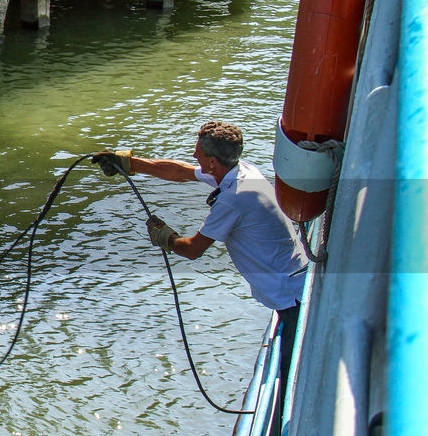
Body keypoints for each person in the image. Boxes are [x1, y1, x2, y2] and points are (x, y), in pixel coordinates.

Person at [92, 121, 307, 389]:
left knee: (290, 382)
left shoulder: (234, 198)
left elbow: (193, 249)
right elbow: (182, 172)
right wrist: (130, 163)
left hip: (289, 298)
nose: (194, 156)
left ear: (214, 162)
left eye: (199, 153)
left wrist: (165, 238)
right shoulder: (242, 171)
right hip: (296, 283)